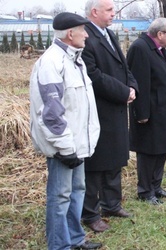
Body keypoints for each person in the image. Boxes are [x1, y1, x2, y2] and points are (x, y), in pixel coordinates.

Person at [29, 12, 102, 250]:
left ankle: (75, 239)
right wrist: (65, 147)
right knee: (60, 197)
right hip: (64, 146)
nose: (87, 35)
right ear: (71, 34)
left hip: (77, 143)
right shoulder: (51, 63)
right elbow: (51, 113)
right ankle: (60, 245)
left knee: (77, 190)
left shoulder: (75, 60)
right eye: (83, 30)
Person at [81, 0, 138, 232]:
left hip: (116, 107)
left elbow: (124, 67)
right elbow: (93, 75)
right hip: (98, 109)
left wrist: (133, 86)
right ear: (95, 12)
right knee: (96, 163)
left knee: (115, 157)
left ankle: (112, 204)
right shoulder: (85, 37)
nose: (114, 13)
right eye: (110, 10)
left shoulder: (109, 34)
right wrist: (123, 92)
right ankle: (90, 213)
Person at [127, 18, 166, 205]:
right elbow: (139, 83)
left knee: (162, 148)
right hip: (150, 113)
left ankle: (156, 186)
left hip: (164, 111)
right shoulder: (140, 48)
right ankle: (145, 190)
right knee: (148, 151)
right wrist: (141, 113)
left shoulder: (160, 50)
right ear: (160, 34)